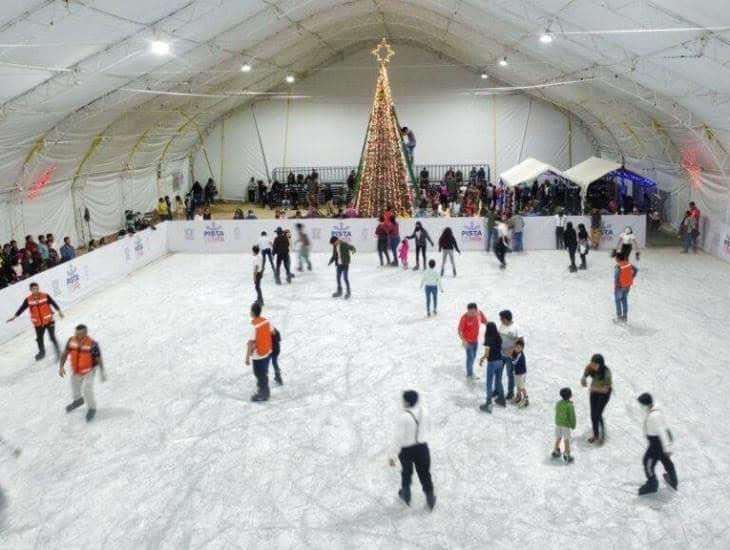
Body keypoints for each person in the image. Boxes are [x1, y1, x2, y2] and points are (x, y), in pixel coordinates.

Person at [389, 390, 436, 510]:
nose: (402, 402)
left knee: (406, 472)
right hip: (422, 448)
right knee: (425, 473)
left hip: (407, 450)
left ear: (407, 402)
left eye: (403, 400)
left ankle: (406, 494)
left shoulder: (403, 417)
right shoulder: (424, 412)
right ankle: (430, 496)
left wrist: (392, 455)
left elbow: (397, 438)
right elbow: (430, 427)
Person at [58, 324, 105, 422]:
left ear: (85, 333)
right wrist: (61, 367)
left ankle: (92, 408)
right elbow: (65, 354)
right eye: (76, 333)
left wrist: (102, 371)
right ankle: (78, 400)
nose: (78, 336)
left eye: (80, 334)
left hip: (90, 370)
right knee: (74, 384)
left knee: (86, 388)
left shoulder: (92, 344)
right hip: (77, 370)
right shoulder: (71, 341)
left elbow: (98, 358)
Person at [7, 282, 64, 360]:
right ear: (30, 290)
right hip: (38, 324)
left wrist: (59, 311)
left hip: (49, 321)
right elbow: (22, 308)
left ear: (38, 288)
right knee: (39, 339)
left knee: (52, 337)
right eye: (33, 289)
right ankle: (42, 353)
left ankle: (58, 352)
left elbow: (53, 303)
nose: (35, 290)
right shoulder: (28, 300)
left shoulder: (45, 296)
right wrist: (15, 316)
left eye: (36, 288)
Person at [637, 392, 678, 495]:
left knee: (647, 462)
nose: (641, 407)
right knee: (665, 460)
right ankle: (673, 480)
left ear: (645, 404)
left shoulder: (654, 416)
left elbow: (662, 432)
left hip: (656, 443)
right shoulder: (655, 412)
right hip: (658, 442)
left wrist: (667, 448)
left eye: (641, 404)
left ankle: (652, 484)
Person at [581, 354, 612, 444]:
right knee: (593, 414)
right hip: (594, 393)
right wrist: (584, 377)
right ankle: (596, 435)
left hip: (603, 394)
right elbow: (587, 369)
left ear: (600, 364)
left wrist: (595, 389)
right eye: (592, 364)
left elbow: (606, 389)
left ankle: (602, 436)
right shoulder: (591, 366)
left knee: (598, 414)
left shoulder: (606, 373)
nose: (593, 366)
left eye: (595, 364)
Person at [245, 302, 272, 402]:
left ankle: (263, 393)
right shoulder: (266, 321)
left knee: (259, 373)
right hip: (267, 351)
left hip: (258, 355)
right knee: (263, 373)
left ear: (252, 312)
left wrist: (247, 357)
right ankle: (265, 390)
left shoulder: (254, 326)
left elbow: (250, 343)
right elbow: (272, 332)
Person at [478, 322, 505, 413]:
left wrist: (481, 359)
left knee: (489, 383)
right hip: (500, 361)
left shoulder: (488, 340)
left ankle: (488, 404)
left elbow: (487, 354)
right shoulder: (499, 337)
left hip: (492, 363)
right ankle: (501, 399)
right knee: (498, 380)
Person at [457, 303, 488, 380]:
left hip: (475, 341)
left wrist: (492, 329)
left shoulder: (479, 314)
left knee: (473, 357)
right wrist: (463, 340)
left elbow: (486, 322)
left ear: (476, 310)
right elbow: (460, 330)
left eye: (473, 312)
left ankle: (469, 370)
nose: (471, 314)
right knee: (470, 357)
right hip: (467, 342)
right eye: (470, 312)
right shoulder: (464, 318)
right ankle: (469, 374)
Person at [497, 310, 521, 401]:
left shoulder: (515, 328)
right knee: (498, 373)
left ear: (506, 319)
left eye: (501, 319)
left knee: (510, 374)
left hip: (510, 357)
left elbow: (520, 341)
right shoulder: (502, 325)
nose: (500, 320)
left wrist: (511, 351)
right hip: (500, 354)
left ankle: (510, 393)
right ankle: (497, 390)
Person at [552, 387, 576, 463]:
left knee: (558, 438)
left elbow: (557, 411)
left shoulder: (559, 403)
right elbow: (572, 416)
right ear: (570, 395)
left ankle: (555, 451)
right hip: (565, 425)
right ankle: (567, 454)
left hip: (558, 423)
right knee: (566, 440)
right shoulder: (569, 406)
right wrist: (573, 424)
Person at [614, 252, 638, 323]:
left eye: (616, 258)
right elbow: (636, 270)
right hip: (627, 286)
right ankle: (625, 317)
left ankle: (619, 317)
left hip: (620, 287)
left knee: (618, 301)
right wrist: (632, 277)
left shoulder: (618, 266)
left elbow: (616, 277)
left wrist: (617, 284)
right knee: (624, 301)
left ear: (618, 258)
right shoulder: (629, 264)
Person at [512, 338, 528, 406]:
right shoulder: (516, 353)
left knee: (522, 387)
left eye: (519, 348)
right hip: (517, 373)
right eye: (516, 347)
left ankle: (526, 399)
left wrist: (511, 357)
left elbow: (514, 362)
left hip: (521, 373)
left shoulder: (520, 354)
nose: (517, 349)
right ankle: (519, 397)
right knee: (518, 386)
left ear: (522, 348)